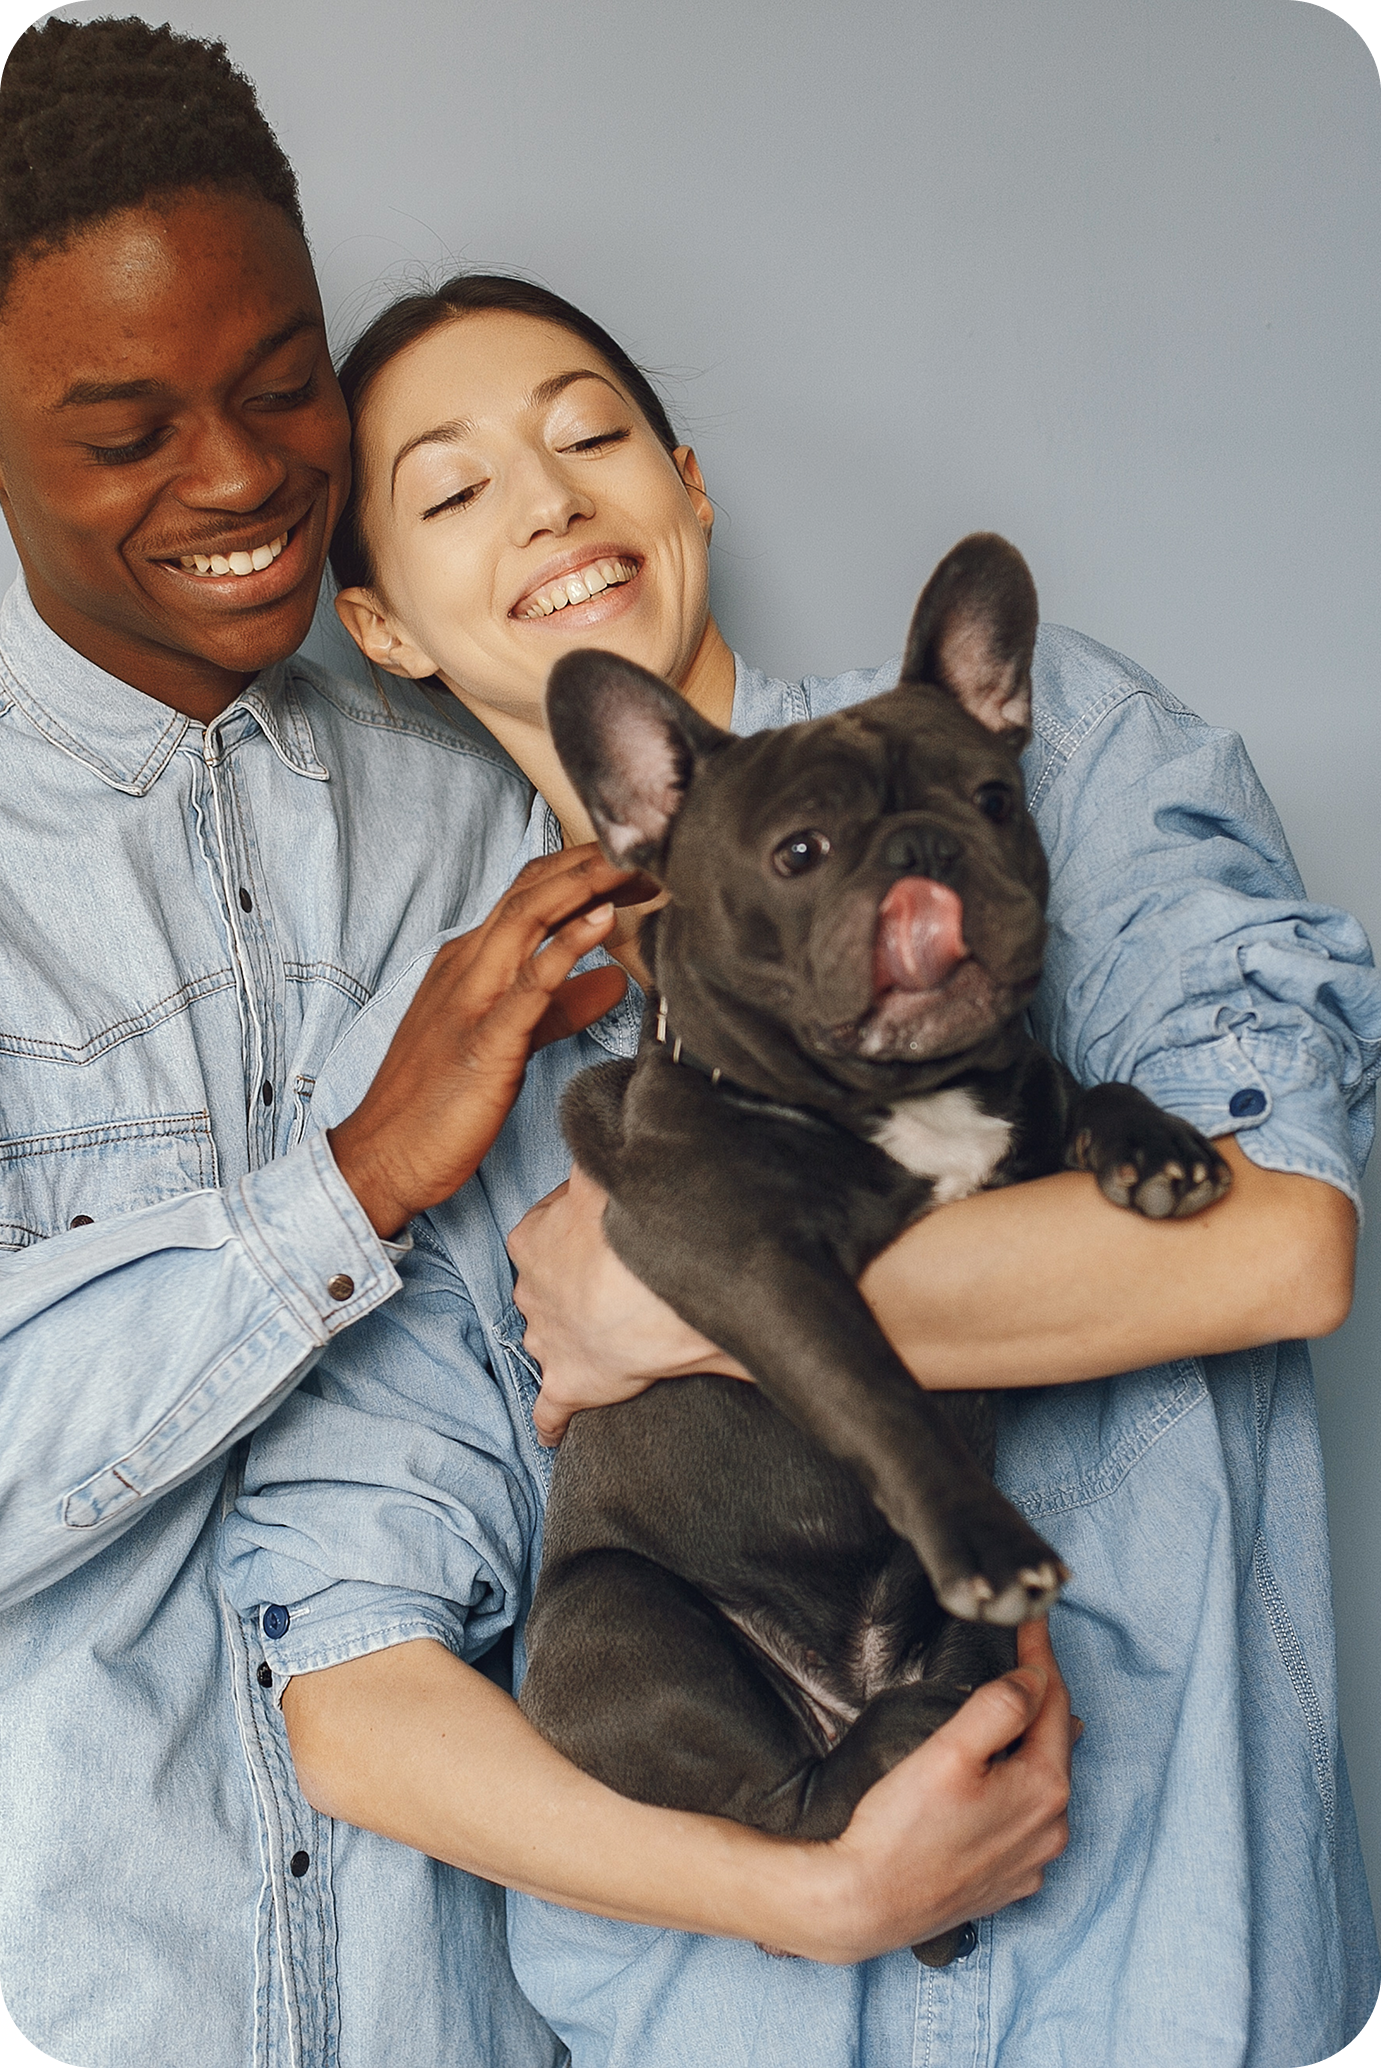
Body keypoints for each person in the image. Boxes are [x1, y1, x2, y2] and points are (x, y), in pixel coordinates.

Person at [0, 20, 1079, 2065]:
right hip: (95, 1984)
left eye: (280, 383)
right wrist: (350, 1177)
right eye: (125, 424)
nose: (237, 475)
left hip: (488, 2002)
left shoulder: (518, 823)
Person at [217, 275, 1378, 2065]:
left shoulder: (1033, 750)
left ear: (688, 487)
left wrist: (668, 1300)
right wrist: (799, 1889)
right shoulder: (438, 1071)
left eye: (591, 435)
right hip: (725, 2013)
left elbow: (1273, 1240)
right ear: (377, 624)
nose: (546, 500)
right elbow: (348, 1691)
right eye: (451, 491)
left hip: (1159, 1961)